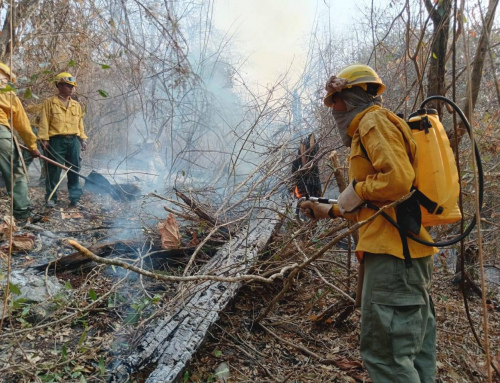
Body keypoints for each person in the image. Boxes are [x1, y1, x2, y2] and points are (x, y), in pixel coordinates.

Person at [299, 64, 438, 382]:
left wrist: (356, 191)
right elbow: (377, 202)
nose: (333, 109)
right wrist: (331, 209)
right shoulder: (373, 125)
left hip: (394, 259)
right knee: (415, 356)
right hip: (403, 254)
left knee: (387, 358)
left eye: (334, 101)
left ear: (350, 97)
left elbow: (399, 181)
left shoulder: (373, 121)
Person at [38, 72, 87, 208]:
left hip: (73, 141)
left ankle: (75, 198)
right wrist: (44, 139)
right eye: (68, 85)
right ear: (59, 85)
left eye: (72, 86)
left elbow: (80, 124)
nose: (71, 88)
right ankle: (51, 198)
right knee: (54, 169)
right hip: (56, 141)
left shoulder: (76, 105)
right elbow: (44, 122)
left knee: (74, 169)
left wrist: (83, 139)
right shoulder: (49, 103)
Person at [0, 62, 40, 221]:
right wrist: (32, 146)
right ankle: (22, 214)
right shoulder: (8, 94)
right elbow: (22, 124)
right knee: (16, 174)